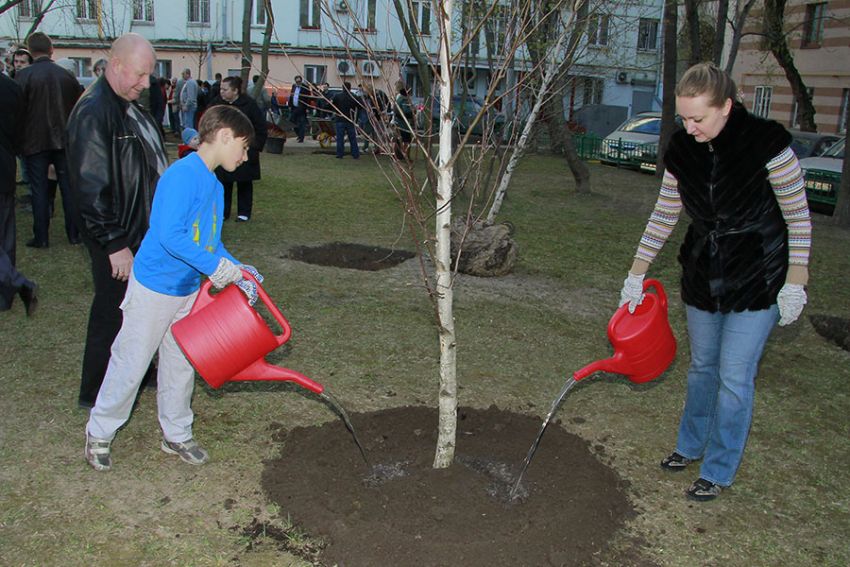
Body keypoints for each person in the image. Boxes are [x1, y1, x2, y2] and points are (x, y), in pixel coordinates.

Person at [619, 63, 812, 502]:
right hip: (704, 273)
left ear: (726, 106)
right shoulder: (682, 150)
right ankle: (689, 446)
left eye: (698, 118)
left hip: (758, 276)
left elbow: (799, 219)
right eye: (683, 118)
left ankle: (719, 468)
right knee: (703, 368)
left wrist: (795, 280)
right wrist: (636, 272)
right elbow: (666, 213)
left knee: (734, 376)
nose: (689, 128)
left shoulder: (767, 144)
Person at [83, 105, 262, 472]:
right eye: (243, 148)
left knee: (181, 363)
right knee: (132, 361)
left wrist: (239, 269)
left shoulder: (213, 185)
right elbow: (169, 235)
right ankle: (100, 432)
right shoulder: (182, 176)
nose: (244, 158)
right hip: (154, 288)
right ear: (225, 136)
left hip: (185, 290)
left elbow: (210, 244)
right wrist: (216, 268)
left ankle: (176, 433)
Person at [66, 33, 169, 410]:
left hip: (138, 231)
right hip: (118, 234)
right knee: (111, 313)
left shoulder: (127, 104)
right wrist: (114, 242)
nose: (145, 84)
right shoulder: (95, 111)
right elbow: (89, 187)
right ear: (116, 64)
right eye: (140, 75)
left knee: (137, 311)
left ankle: (139, 373)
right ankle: (94, 391)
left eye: (149, 77)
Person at [14, 32, 81, 248]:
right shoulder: (67, 77)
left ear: (31, 51)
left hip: (34, 142)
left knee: (39, 189)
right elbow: (77, 108)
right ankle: (74, 234)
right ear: (51, 50)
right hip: (64, 140)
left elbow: (19, 112)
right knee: (68, 190)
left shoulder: (24, 76)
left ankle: (41, 237)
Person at [0, 72, 37, 316]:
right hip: (5, 163)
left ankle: (16, 282)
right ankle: (5, 297)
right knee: (5, 234)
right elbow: (20, 131)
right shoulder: (12, 88)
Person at [207, 76, 267, 222]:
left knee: (244, 182)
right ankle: (223, 211)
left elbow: (260, 127)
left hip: (244, 149)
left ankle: (244, 212)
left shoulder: (249, 105)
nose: (221, 92)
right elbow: (208, 122)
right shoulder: (216, 104)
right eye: (221, 88)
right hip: (223, 150)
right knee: (223, 182)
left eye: (225, 89)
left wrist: (252, 146)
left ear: (235, 90)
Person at [331, 82, 360, 159]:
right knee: (352, 138)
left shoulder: (337, 96)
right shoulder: (353, 97)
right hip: (350, 119)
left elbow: (332, 105)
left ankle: (340, 154)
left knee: (340, 138)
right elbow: (359, 106)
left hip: (340, 119)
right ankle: (355, 154)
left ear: (342, 87)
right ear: (350, 88)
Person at [392, 80, 414, 161]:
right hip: (403, 123)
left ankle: (397, 156)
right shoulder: (404, 99)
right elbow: (406, 111)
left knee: (397, 140)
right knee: (407, 140)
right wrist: (412, 112)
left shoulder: (397, 98)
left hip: (397, 122)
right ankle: (406, 156)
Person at [288, 75, 310, 142]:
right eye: (297, 82)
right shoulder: (294, 86)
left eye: (299, 81)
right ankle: (299, 134)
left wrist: (307, 108)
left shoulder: (305, 87)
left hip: (302, 108)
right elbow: (291, 96)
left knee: (301, 123)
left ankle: (301, 138)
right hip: (294, 107)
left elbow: (308, 98)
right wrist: (289, 105)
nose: (298, 83)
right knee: (292, 121)